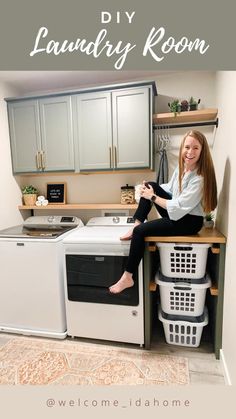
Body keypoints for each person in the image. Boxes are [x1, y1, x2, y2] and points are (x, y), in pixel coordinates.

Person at [109, 130, 217, 294]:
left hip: (189, 222)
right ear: (182, 149)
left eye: (196, 148)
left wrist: (152, 197)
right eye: (187, 147)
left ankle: (127, 277)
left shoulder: (199, 178)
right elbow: (169, 189)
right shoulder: (182, 169)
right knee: (151, 184)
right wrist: (148, 190)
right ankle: (136, 223)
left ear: (202, 151)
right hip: (178, 215)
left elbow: (179, 205)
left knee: (140, 232)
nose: (190, 152)